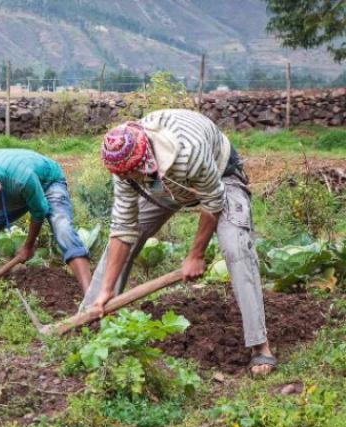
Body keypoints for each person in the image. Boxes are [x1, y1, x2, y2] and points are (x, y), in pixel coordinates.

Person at [80, 108, 275, 376]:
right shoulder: (124, 164)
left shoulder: (188, 153)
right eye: (124, 176)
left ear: (145, 158)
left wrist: (195, 254)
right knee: (125, 241)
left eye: (131, 174)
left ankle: (260, 344)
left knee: (235, 247)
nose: (125, 180)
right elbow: (122, 228)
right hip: (161, 184)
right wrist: (107, 289)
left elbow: (213, 201)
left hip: (220, 177)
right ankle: (89, 318)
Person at [0, 148, 92, 293]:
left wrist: (28, 246)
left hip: (48, 182)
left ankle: (90, 296)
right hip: (12, 194)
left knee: (62, 228)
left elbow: (39, 210)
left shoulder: (20, 177)